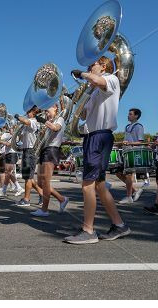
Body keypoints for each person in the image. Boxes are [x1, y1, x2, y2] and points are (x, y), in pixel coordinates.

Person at [65, 56, 131, 244]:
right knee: (100, 185)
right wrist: (76, 100)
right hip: (92, 136)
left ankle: (88, 230)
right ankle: (119, 225)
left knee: (87, 184)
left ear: (103, 66)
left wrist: (82, 75)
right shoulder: (94, 90)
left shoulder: (111, 79)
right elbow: (84, 114)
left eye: (92, 64)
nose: (88, 67)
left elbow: (96, 80)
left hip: (99, 135)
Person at [30, 103, 69, 216]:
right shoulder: (49, 122)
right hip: (44, 150)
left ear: (55, 107)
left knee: (46, 182)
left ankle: (44, 210)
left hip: (52, 150)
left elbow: (55, 128)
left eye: (48, 111)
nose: (46, 113)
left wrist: (43, 121)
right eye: (45, 112)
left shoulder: (60, 119)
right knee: (40, 183)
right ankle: (61, 199)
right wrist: (41, 133)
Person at [14, 106, 43, 206]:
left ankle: (26, 199)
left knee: (28, 177)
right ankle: (41, 193)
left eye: (28, 111)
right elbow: (21, 138)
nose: (27, 112)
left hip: (31, 151)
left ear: (33, 112)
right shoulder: (27, 124)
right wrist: (15, 132)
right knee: (28, 176)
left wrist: (18, 117)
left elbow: (26, 122)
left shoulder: (35, 122)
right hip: (26, 151)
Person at [116, 108, 145, 204]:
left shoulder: (139, 126)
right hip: (126, 152)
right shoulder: (127, 126)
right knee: (118, 173)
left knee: (129, 175)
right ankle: (135, 190)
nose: (128, 115)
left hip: (133, 153)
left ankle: (129, 197)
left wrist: (129, 143)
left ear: (136, 116)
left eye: (130, 114)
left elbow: (141, 142)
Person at [0, 126, 24, 196]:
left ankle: (16, 188)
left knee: (9, 172)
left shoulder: (15, 137)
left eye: (11, 130)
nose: (9, 131)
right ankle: (8, 189)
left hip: (12, 155)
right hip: (9, 154)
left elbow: (9, 144)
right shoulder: (10, 136)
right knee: (8, 173)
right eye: (9, 130)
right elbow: (2, 138)